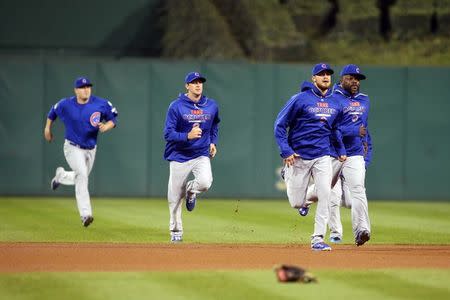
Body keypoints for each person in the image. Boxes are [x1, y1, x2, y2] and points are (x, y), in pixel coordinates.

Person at [299, 65, 373, 246]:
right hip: (332, 151)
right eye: (351, 77)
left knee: (358, 190)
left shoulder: (365, 100)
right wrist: (354, 130)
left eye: (358, 78)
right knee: (323, 190)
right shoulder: (332, 98)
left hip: (354, 152)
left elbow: (365, 130)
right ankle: (303, 200)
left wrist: (366, 152)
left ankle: (361, 230)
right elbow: (329, 127)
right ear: (341, 80)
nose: (355, 81)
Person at [274, 63, 345, 251]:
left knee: (326, 195)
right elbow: (280, 125)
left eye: (328, 74)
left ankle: (317, 238)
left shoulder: (336, 102)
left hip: (323, 154)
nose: (325, 77)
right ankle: (289, 177)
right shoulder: (300, 99)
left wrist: (340, 149)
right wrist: (286, 151)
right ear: (314, 78)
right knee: (296, 202)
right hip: (298, 155)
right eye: (321, 74)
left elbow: (335, 128)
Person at [44, 77, 118, 227]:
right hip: (72, 147)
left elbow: (113, 118)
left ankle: (62, 176)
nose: (86, 89)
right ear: (76, 90)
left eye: (88, 87)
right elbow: (52, 112)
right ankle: (85, 214)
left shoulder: (100, 103)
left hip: (91, 148)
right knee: (82, 177)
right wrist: (47, 128)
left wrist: (107, 126)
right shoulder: (66, 104)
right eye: (83, 87)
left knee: (80, 177)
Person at [163, 71, 220, 243]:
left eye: (200, 82)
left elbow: (214, 125)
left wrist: (212, 142)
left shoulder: (211, 105)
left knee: (205, 182)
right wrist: (187, 136)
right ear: (187, 86)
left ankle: (191, 190)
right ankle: (176, 230)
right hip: (179, 154)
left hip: (200, 153)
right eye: (193, 82)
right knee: (174, 197)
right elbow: (168, 134)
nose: (198, 85)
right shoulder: (176, 106)